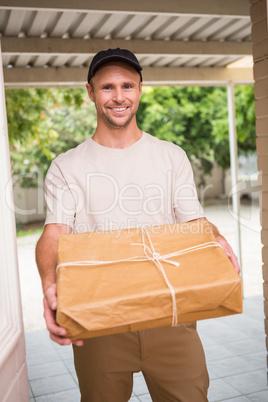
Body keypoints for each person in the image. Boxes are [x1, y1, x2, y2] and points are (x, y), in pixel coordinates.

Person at [36, 48, 240, 402]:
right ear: (90, 92)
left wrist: (217, 240)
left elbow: (195, 220)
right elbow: (54, 231)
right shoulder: (66, 166)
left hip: (171, 317)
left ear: (140, 90)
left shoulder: (170, 155)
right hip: (99, 319)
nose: (119, 97)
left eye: (127, 86)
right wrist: (50, 284)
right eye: (107, 87)